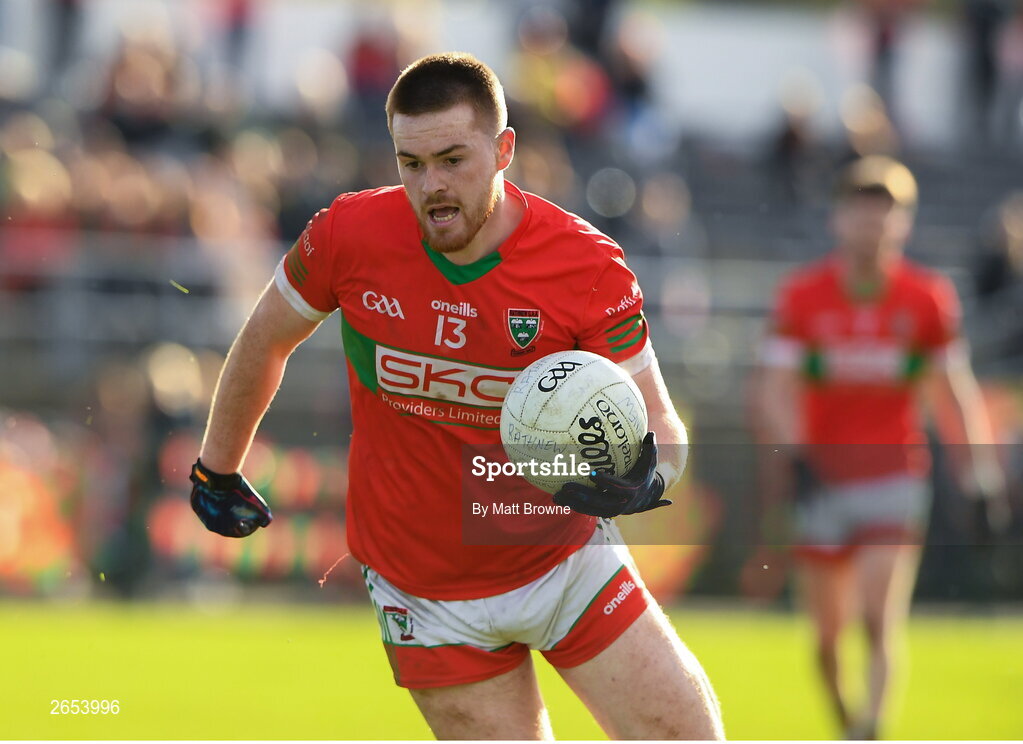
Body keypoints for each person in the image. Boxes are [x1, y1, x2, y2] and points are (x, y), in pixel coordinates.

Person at [189, 52, 723, 740]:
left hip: (565, 563)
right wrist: (217, 465)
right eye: (411, 165)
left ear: (503, 150)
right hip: (424, 594)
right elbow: (264, 339)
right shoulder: (347, 236)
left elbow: (661, 425)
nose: (432, 185)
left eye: (452, 159)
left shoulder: (585, 264)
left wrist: (642, 479)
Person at [754, 155, 1009, 739]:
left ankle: (873, 728)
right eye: (862, 214)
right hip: (824, 476)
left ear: (905, 224)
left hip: (895, 476)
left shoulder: (927, 299)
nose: (873, 227)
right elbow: (773, 391)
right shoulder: (803, 297)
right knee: (825, 641)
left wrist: (982, 480)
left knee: (877, 615)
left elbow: (955, 393)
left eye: (886, 216)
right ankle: (849, 725)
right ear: (838, 219)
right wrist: (796, 455)